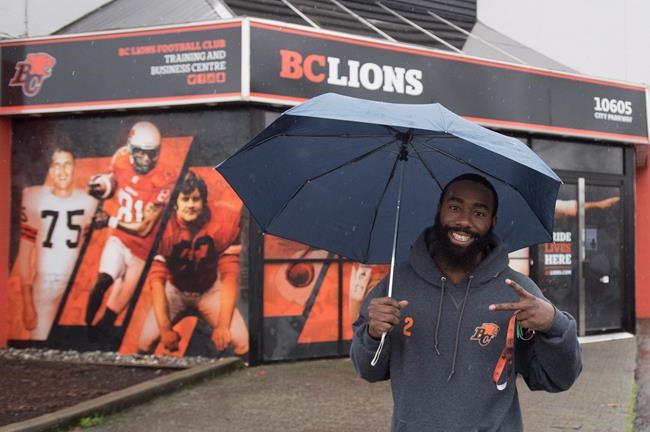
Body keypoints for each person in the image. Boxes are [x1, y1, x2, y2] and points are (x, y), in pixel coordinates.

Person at [350, 173, 582, 432]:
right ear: (439, 210)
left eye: (479, 213)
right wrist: (372, 335)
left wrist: (554, 324)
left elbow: (557, 379)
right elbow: (368, 370)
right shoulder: (395, 286)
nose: (464, 221)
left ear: (493, 222)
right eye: (454, 207)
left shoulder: (517, 293)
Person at [84, 121, 176, 347]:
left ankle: (94, 342)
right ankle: (84, 328)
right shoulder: (121, 158)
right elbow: (112, 182)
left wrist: (110, 220)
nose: (145, 159)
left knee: (112, 313)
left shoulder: (164, 177)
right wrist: (101, 185)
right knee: (103, 281)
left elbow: (145, 228)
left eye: (150, 154)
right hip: (120, 239)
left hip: (142, 250)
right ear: (130, 149)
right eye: (140, 153)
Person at [137, 170, 249, 356]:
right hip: (174, 291)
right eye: (185, 199)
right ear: (175, 203)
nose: (190, 205)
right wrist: (165, 329)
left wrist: (223, 325)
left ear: (204, 201)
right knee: (144, 343)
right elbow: (156, 280)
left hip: (209, 290)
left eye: (195, 199)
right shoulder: (162, 225)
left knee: (243, 344)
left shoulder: (223, 220)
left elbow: (230, 274)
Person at [16, 135, 97, 340]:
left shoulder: (88, 201)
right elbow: (25, 252)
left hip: (77, 285)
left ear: (74, 167)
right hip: (46, 283)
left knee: (74, 345)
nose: (62, 171)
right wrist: (27, 301)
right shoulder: (35, 198)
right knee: (40, 342)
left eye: (67, 164)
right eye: (57, 165)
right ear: (51, 170)